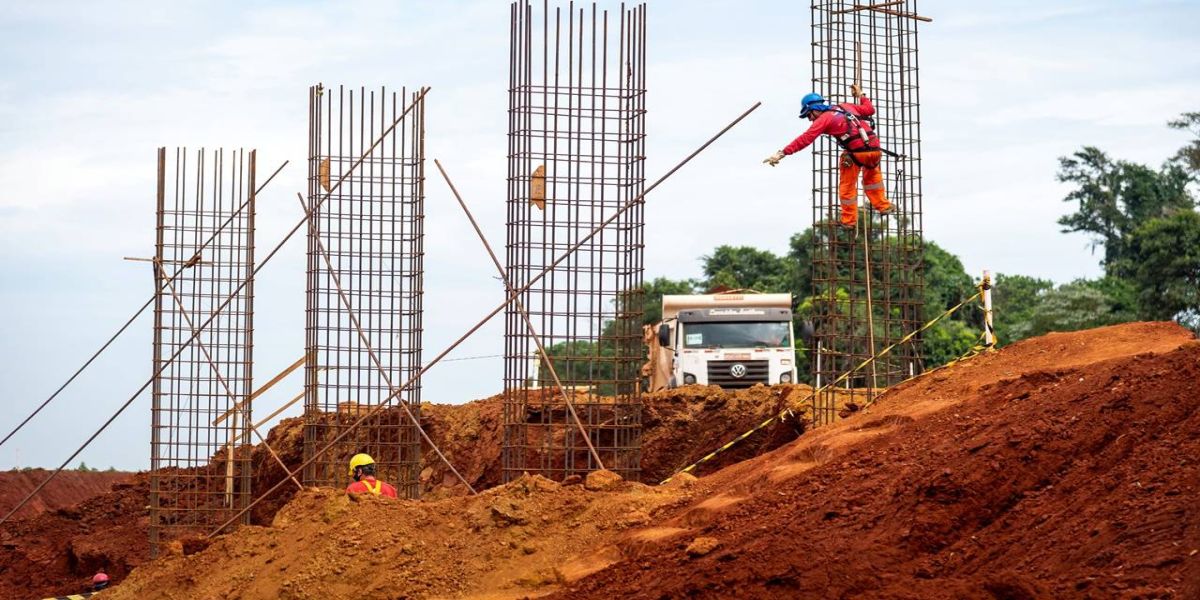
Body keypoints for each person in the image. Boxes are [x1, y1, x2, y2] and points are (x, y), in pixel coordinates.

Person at [763, 84, 893, 229]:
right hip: (875, 151)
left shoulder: (824, 119)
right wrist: (861, 95)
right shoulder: (846, 106)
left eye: (808, 115)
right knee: (873, 180)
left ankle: (849, 221)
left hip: (855, 154)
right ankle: (884, 206)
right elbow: (870, 110)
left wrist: (782, 153)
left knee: (847, 187)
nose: (809, 119)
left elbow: (805, 139)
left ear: (814, 109)